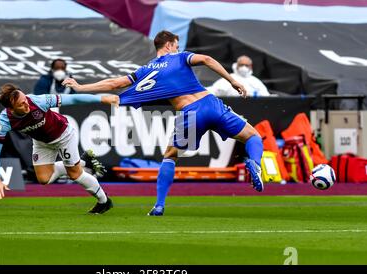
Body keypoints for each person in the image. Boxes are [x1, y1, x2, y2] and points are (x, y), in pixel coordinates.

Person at [63, 30, 264, 216]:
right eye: (176, 44)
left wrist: (81, 87)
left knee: (170, 156)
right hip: (211, 104)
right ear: (168, 45)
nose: (178, 48)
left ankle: (159, 205)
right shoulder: (181, 57)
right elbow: (207, 59)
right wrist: (233, 81)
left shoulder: (145, 70)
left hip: (189, 113)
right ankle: (255, 163)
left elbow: (115, 84)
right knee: (252, 136)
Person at [0, 83, 118, 214]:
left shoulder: (38, 101)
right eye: (21, 104)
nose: (26, 104)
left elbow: (72, 99)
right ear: (10, 109)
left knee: (75, 174)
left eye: (25, 100)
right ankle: (83, 161)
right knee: (44, 179)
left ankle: (104, 201)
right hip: (41, 143)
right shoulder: (4, 122)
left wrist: (103, 99)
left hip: (64, 136)